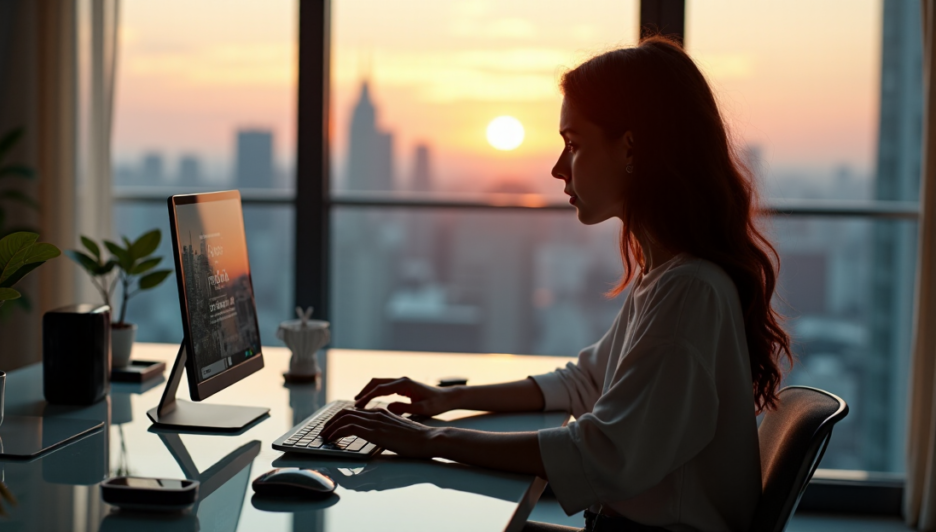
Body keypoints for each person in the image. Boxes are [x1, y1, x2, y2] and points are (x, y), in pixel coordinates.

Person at [322, 35, 791, 532]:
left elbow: (601, 452)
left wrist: (428, 440)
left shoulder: (688, 291)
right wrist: (446, 400)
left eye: (575, 144)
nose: (557, 167)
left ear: (630, 147)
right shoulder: (669, 276)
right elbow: (584, 382)